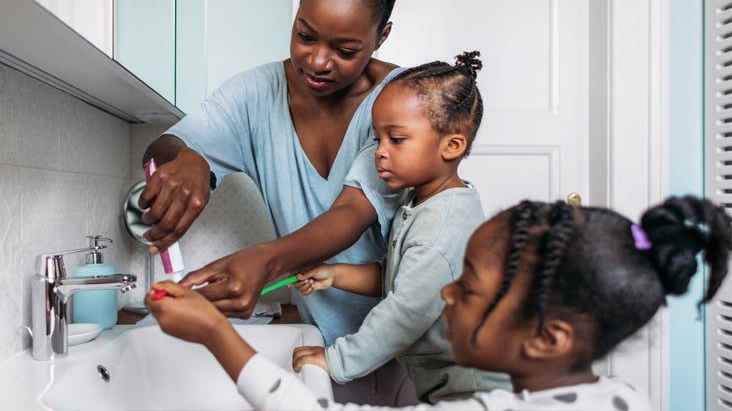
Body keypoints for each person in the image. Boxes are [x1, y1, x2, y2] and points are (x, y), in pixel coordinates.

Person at [138, 0, 426, 352]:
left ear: (382, 36)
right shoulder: (258, 93)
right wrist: (189, 158)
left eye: (346, 49)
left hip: (413, 350)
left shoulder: (404, 100)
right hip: (329, 350)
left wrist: (265, 261)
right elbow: (162, 147)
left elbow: (353, 213)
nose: (317, 61)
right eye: (306, 35)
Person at [145, 194, 731, 410]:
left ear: (549, 338)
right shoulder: (627, 398)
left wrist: (216, 334)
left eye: (468, 287)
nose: (447, 292)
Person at [290, 51, 509, 402]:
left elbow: (405, 313)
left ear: (451, 146)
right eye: (378, 139)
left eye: (397, 139)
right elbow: (404, 280)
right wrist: (337, 275)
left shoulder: (441, 229)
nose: (380, 151)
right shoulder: (421, 203)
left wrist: (336, 360)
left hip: (478, 392)